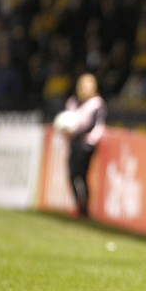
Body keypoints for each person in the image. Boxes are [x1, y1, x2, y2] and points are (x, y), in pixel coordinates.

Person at [57, 73, 106, 218]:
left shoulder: (97, 103)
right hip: (74, 141)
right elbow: (66, 121)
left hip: (86, 144)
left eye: (87, 86)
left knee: (81, 175)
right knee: (72, 174)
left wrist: (89, 141)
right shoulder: (72, 102)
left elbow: (98, 126)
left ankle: (84, 208)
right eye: (82, 86)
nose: (84, 90)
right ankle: (78, 204)